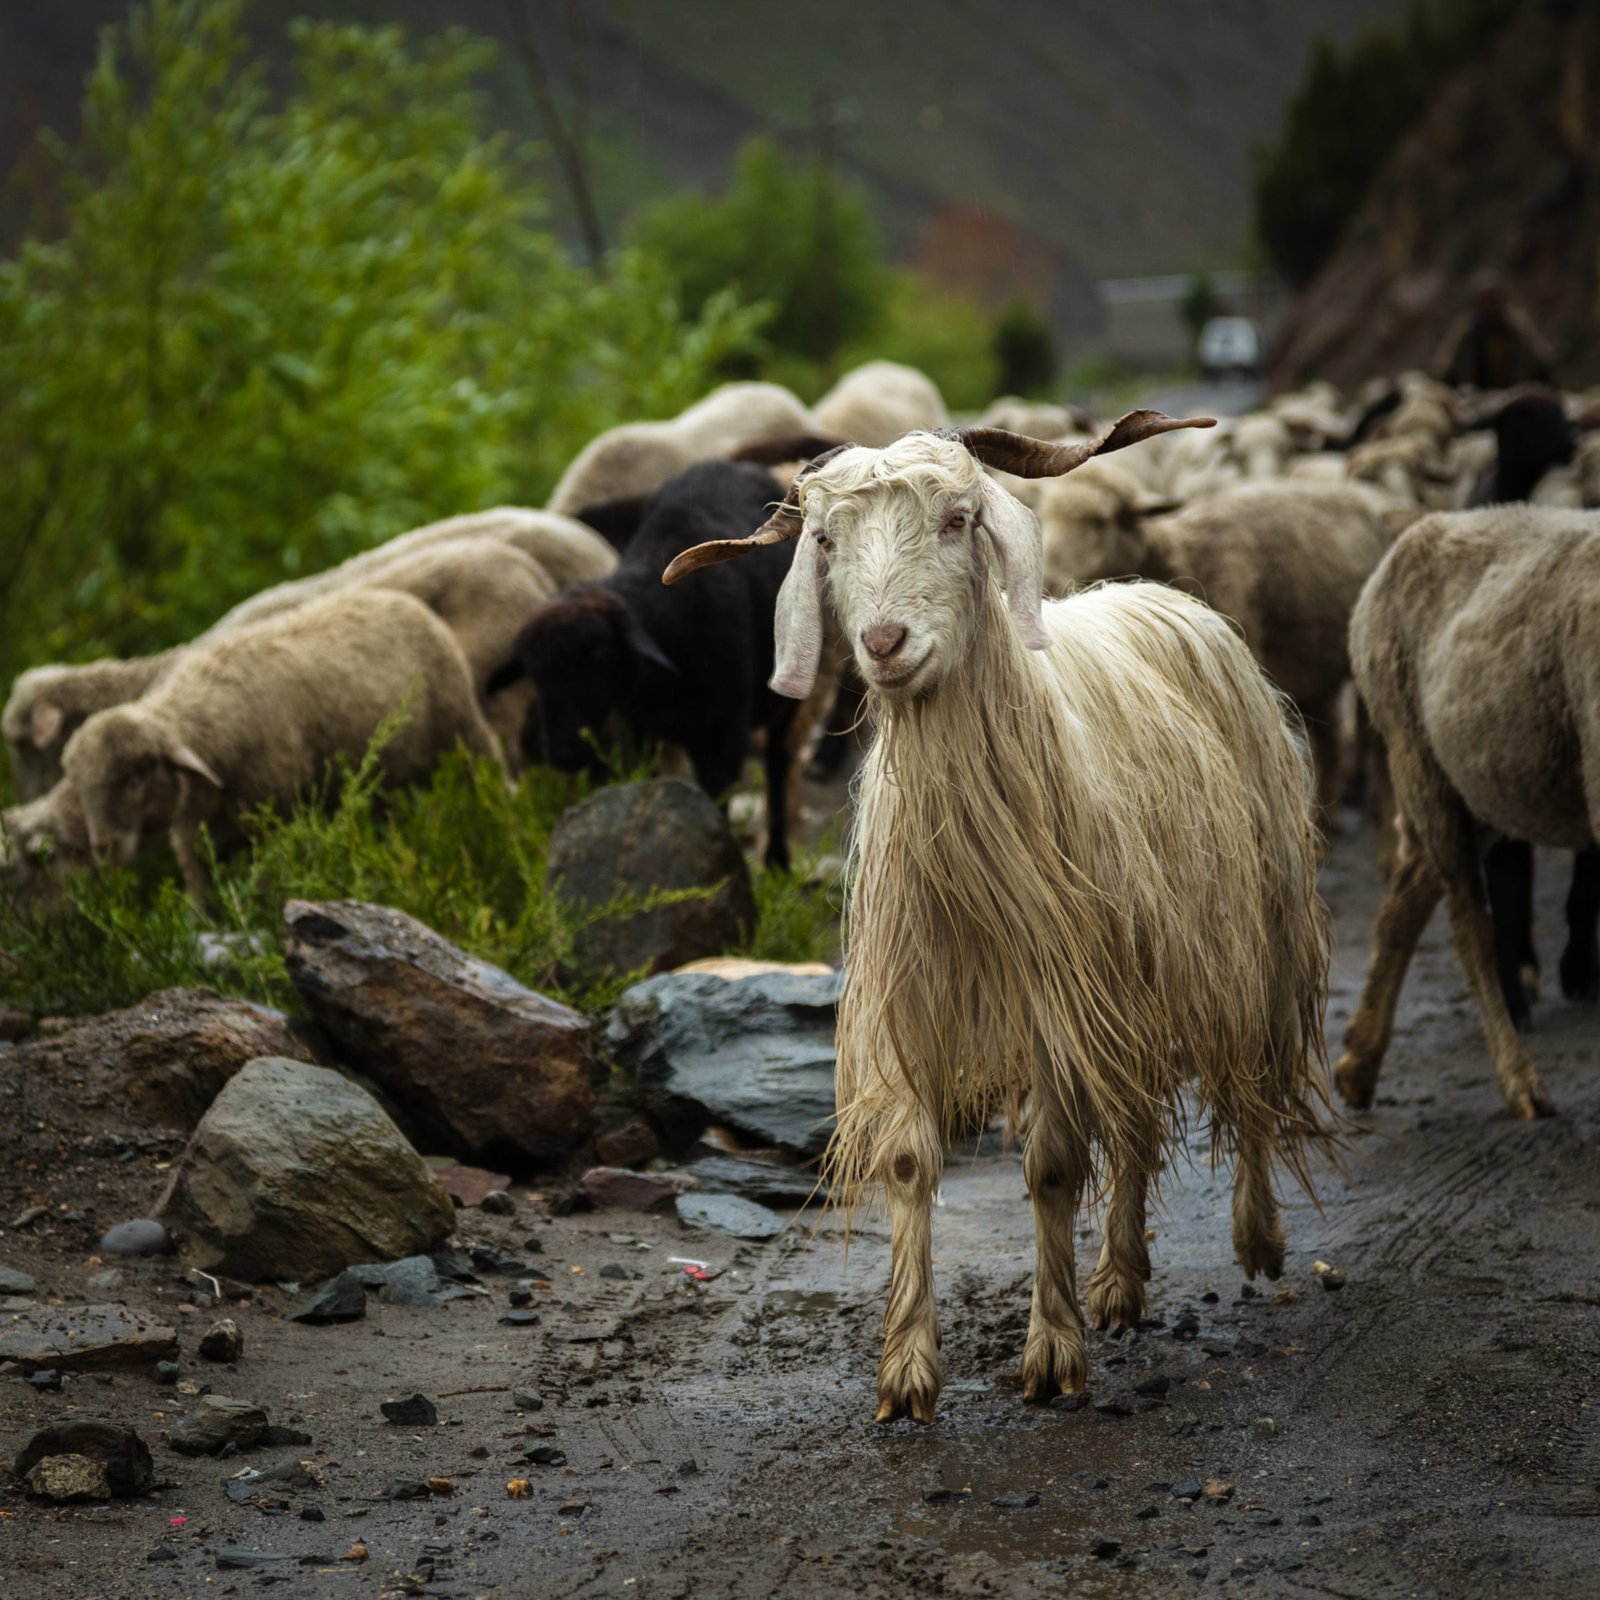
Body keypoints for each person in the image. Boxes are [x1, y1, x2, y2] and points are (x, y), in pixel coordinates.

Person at [1434, 269, 1555, 390]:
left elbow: (1543, 360)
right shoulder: (1466, 329)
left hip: (1515, 393)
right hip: (1474, 394)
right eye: (1486, 301)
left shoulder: (1519, 327)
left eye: (1495, 301)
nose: (1491, 307)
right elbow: (1443, 365)